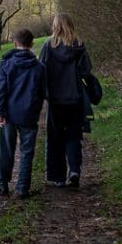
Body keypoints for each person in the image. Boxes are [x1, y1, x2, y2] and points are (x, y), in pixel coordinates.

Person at [0, 28, 46, 198]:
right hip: (28, 114)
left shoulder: (6, 64)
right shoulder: (39, 67)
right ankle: (23, 187)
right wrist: (36, 109)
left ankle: (2, 183)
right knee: (27, 150)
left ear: (15, 43)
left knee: (6, 148)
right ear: (32, 44)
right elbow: (42, 92)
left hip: (9, 114)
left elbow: (1, 90)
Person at [40, 13, 93, 188]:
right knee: (73, 135)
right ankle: (75, 170)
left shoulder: (48, 45)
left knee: (55, 137)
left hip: (55, 100)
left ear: (55, 26)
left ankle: (58, 177)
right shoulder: (79, 45)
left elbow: (41, 70)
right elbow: (86, 71)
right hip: (75, 98)